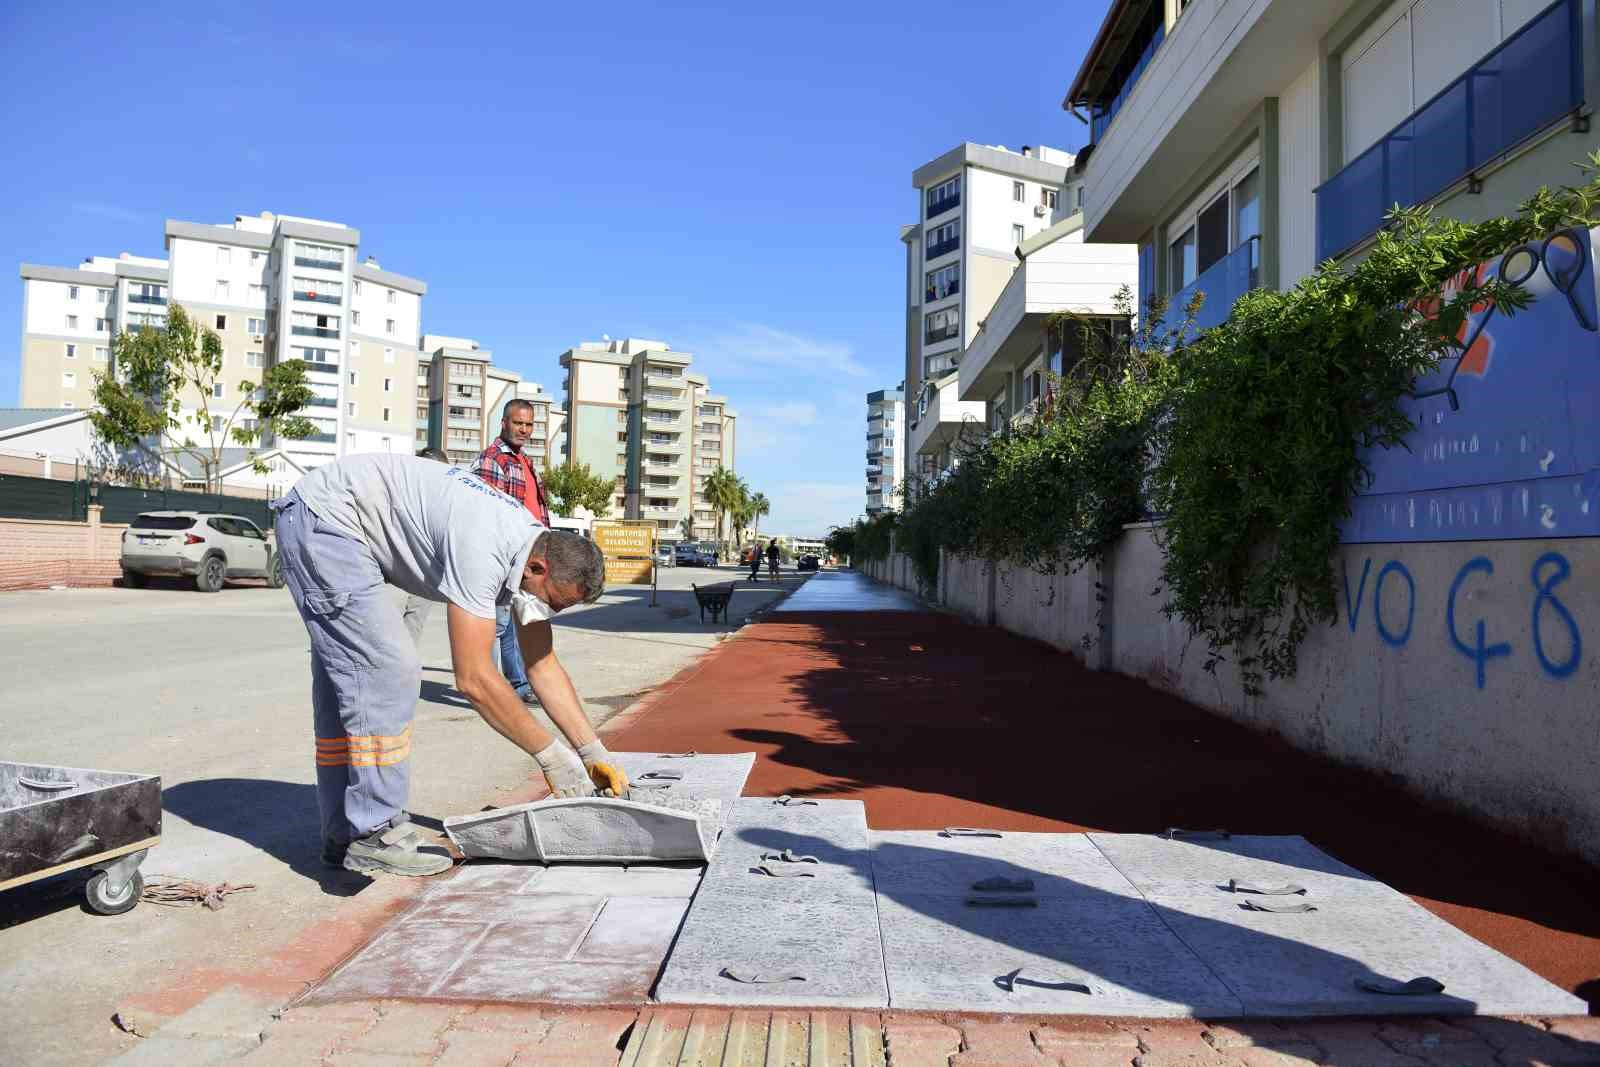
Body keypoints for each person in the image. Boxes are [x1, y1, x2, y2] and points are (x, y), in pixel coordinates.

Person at [271, 453, 627, 878]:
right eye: (554, 601)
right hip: (325, 521)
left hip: (338, 522)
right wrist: (552, 757)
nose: (549, 611)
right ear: (538, 568)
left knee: (348, 684)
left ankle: (346, 831)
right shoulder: (485, 546)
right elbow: (474, 678)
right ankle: (374, 833)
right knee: (389, 670)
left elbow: (542, 664)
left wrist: (591, 753)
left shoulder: (531, 550)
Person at [473, 400, 552, 707]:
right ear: (504, 423)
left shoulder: (524, 461)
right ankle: (489, 691)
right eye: (518, 423)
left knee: (516, 624)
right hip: (504, 556)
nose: (524, 429)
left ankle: (518, 685)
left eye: (529, 424)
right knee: (496, 626)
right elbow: (490, 513)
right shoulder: (494, 460)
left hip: (525, 556)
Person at [401, 447, 450, 645]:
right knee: (415, 612)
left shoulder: (449, 491)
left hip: (449, 559)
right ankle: (402, 661)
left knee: (469, 615)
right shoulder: (412, 491)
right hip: (426, 561)